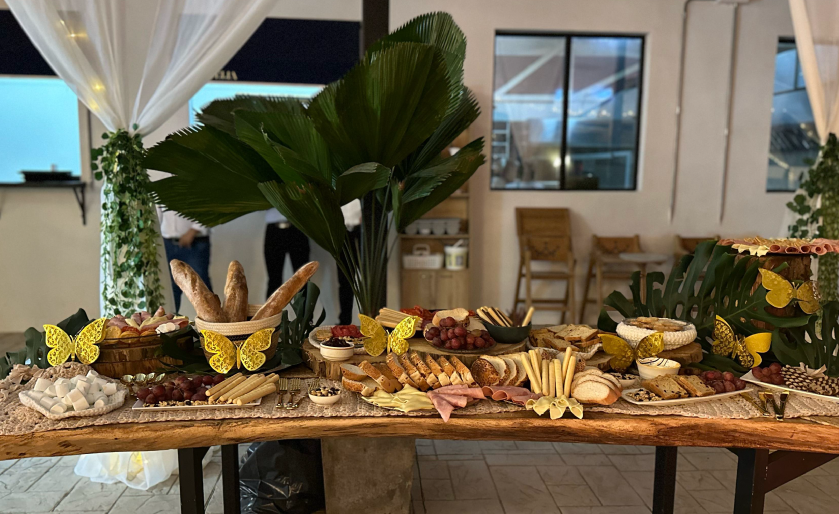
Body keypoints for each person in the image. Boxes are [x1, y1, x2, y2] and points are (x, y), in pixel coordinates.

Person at [158, 208, 211, 313]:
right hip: (168, 244)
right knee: (171, 288)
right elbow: (157, 213)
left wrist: (192, 231)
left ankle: (212, 321)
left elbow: (207, 207)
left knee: (201, 285)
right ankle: (172, 322)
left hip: (195, 243)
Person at [264, 209, 310, 297]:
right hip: (274, 231)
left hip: (298, 228)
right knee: (274, 280)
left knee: (302, 279)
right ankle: (272, 306)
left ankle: (304, 306)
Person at [338, 200, 362, 325]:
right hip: (343, 231)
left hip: (362, 230)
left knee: (368, 281)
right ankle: (344, 322)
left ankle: (371, 319)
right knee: (345, 280)